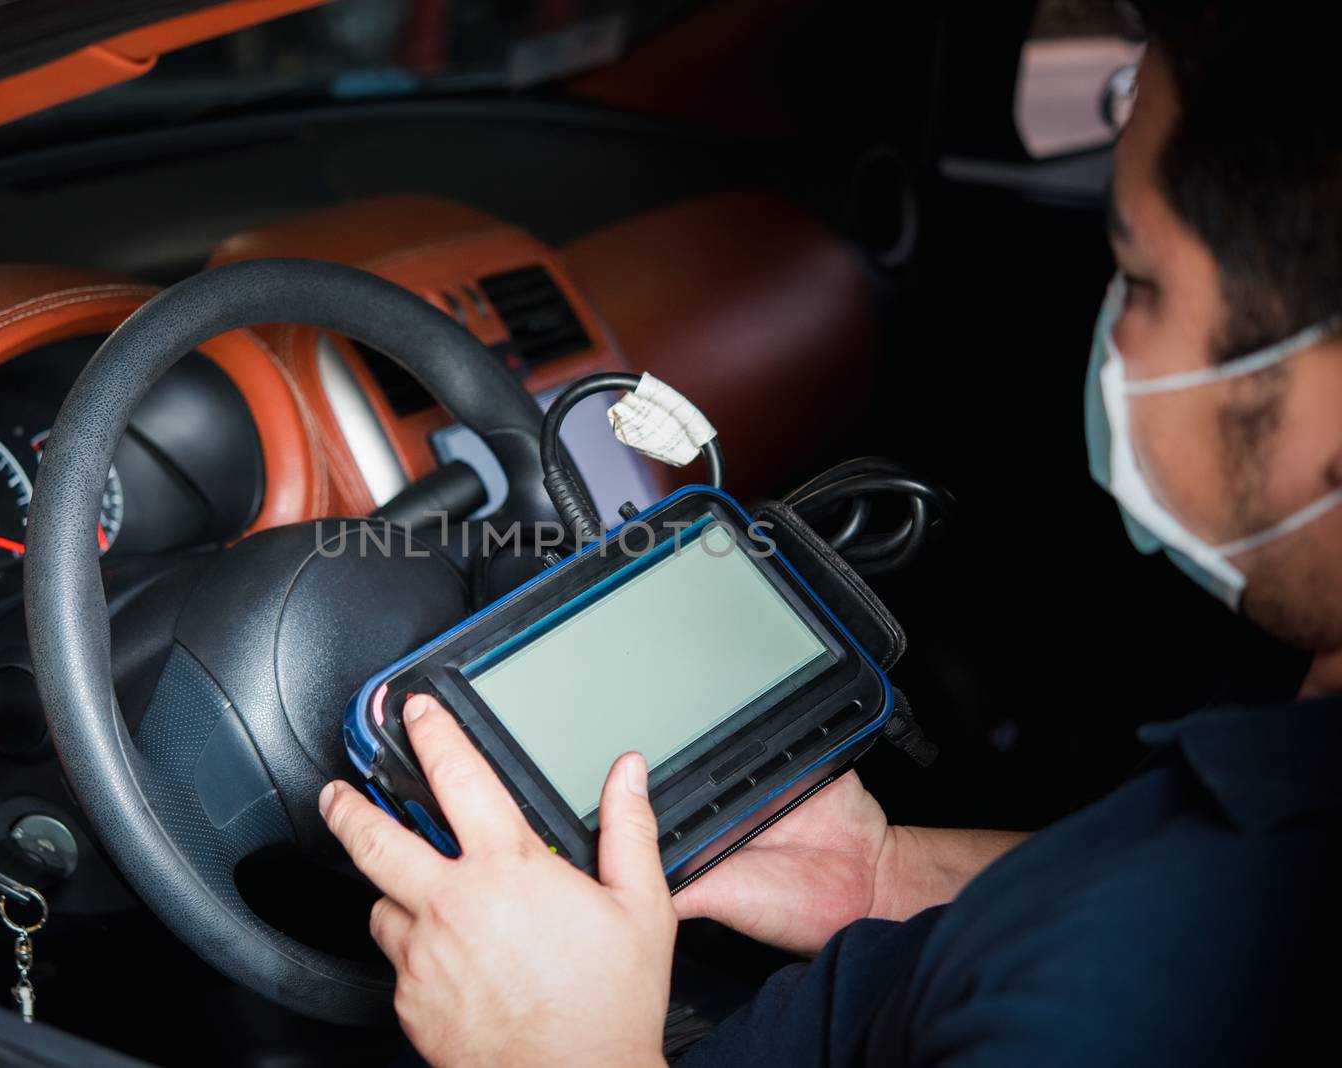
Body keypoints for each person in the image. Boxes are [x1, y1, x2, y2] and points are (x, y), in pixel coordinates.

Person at [317, 3, 1342, 1063]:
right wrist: (891, 880)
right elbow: (1146, 889)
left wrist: (544, 1046)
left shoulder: (1089, 1013)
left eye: (1140, 278)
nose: (1111, 327)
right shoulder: (1278, 778)